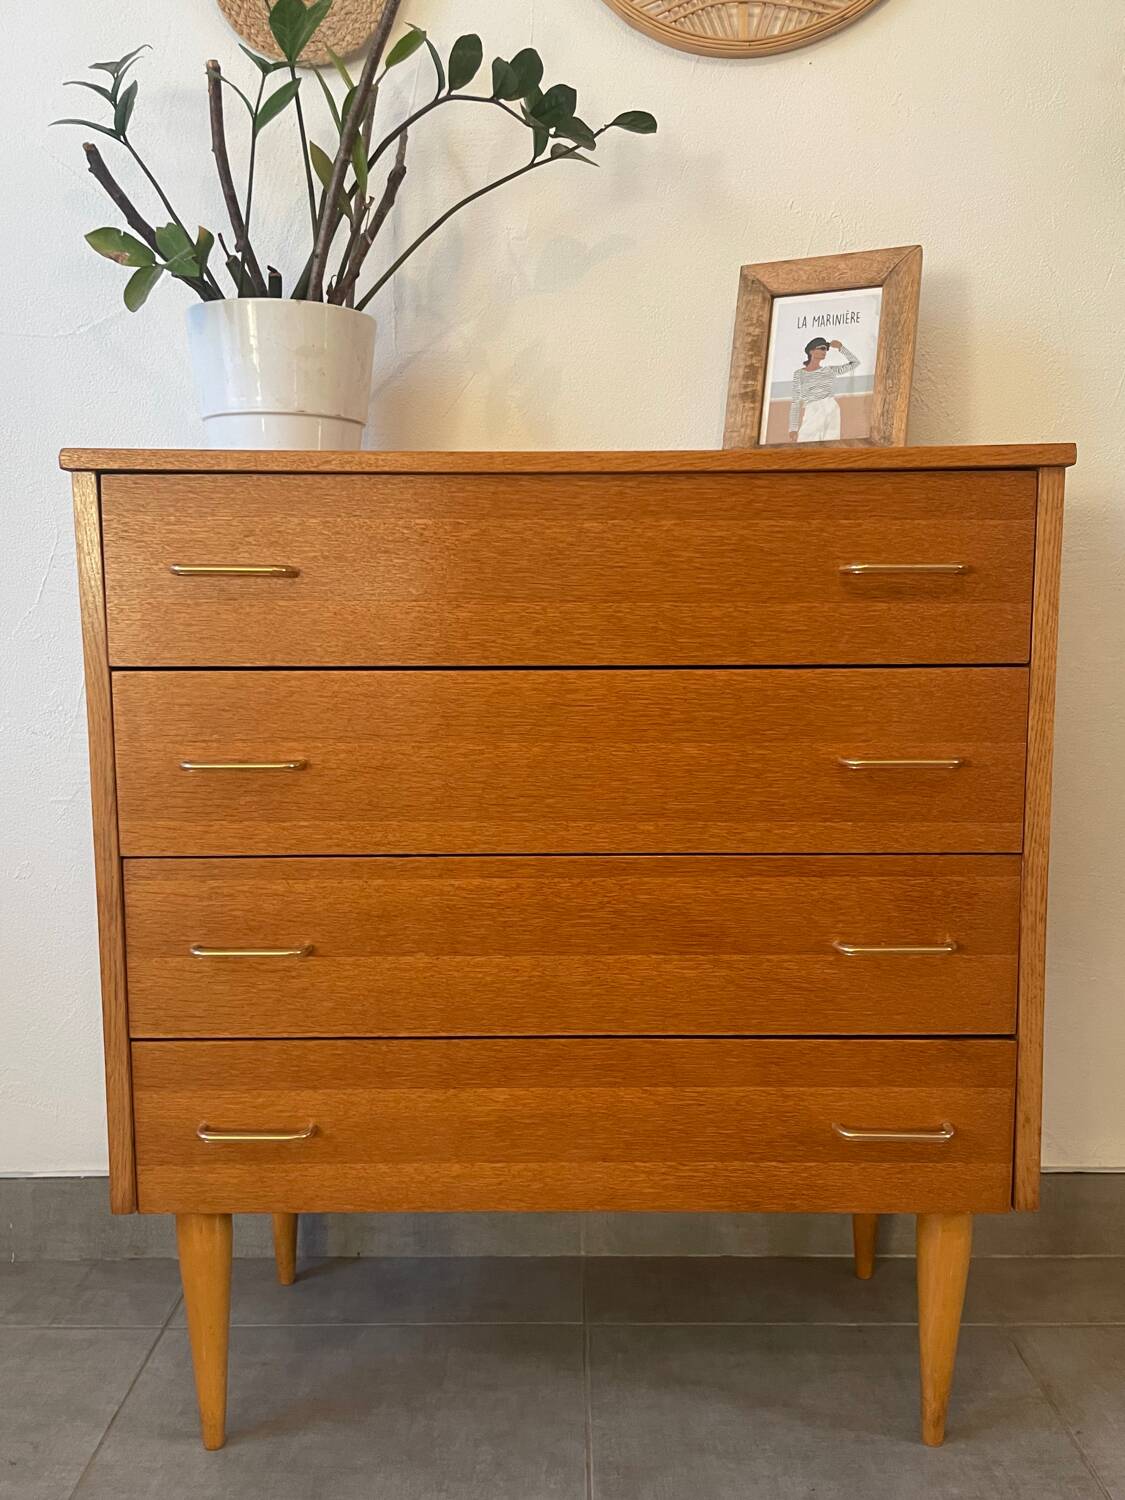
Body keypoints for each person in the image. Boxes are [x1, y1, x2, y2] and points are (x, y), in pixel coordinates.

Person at [787, 337, 860, 442]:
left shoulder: (829, 370)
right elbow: (796, 401)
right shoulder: (799, 374)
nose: (824, 351)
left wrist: (841, 348)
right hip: (812, 409)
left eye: (826, 349)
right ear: (811, 351)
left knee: (830, 444)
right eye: (821, 348)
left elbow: (855, 363)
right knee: (806, 443)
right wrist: (793, 428)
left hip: (831, 408)